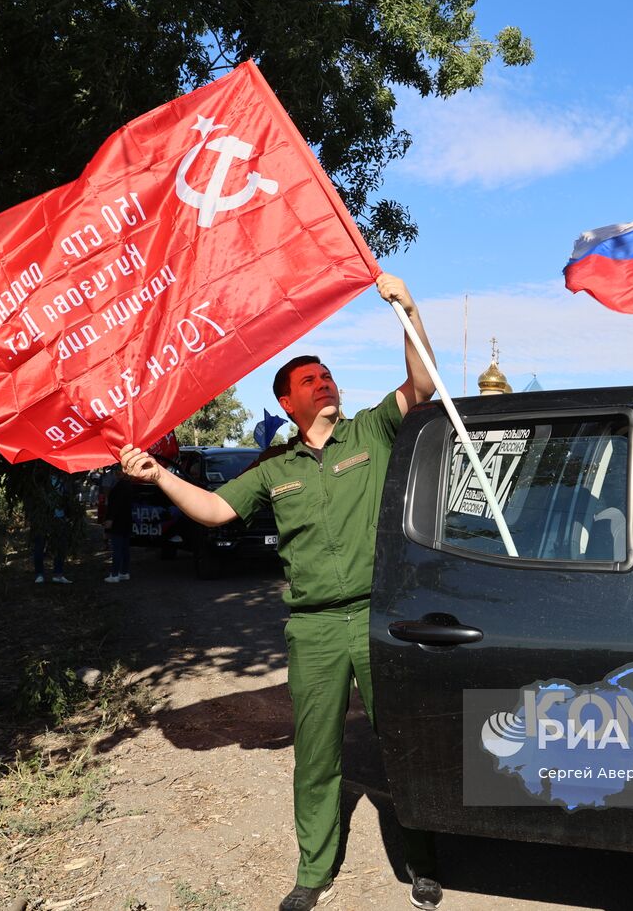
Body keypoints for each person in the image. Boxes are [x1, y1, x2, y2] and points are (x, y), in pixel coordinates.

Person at [119, 273, 442, 911]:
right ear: (287, 404)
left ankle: (423, 862)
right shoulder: (274, 468)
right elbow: (213, 510)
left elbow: (422, 385)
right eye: (310, 381)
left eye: (328, 376)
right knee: (317, 754)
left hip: (382, 620)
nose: (326, 384)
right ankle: (312, 871)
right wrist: (158, 475)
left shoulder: (370, 433)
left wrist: (407, 307)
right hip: (315, 630)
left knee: (401, 744)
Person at [28, 466, 76, 584]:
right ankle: (39, 574)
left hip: (60, 517)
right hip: (43, 519)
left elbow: (68, 498)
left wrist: (68, 513)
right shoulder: (40, 481)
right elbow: (34, 499)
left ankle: (58, 574)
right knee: (40, 546)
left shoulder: (65, 480)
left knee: (61, 546)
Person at [105, 472, 134, 583]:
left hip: (118, 521)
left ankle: (115, 574)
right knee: (125, 548)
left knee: (117, 549)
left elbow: (115, 505)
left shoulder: (120, 487)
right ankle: (124, 572)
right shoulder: (128, 485)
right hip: (126, 520)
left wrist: (109, 519)